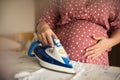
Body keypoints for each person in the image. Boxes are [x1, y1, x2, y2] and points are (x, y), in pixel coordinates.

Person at [35, 0, 120, 66]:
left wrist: (109, 42)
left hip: (96, 60)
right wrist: (43, 28)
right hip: (62, 56)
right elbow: (45, 20)